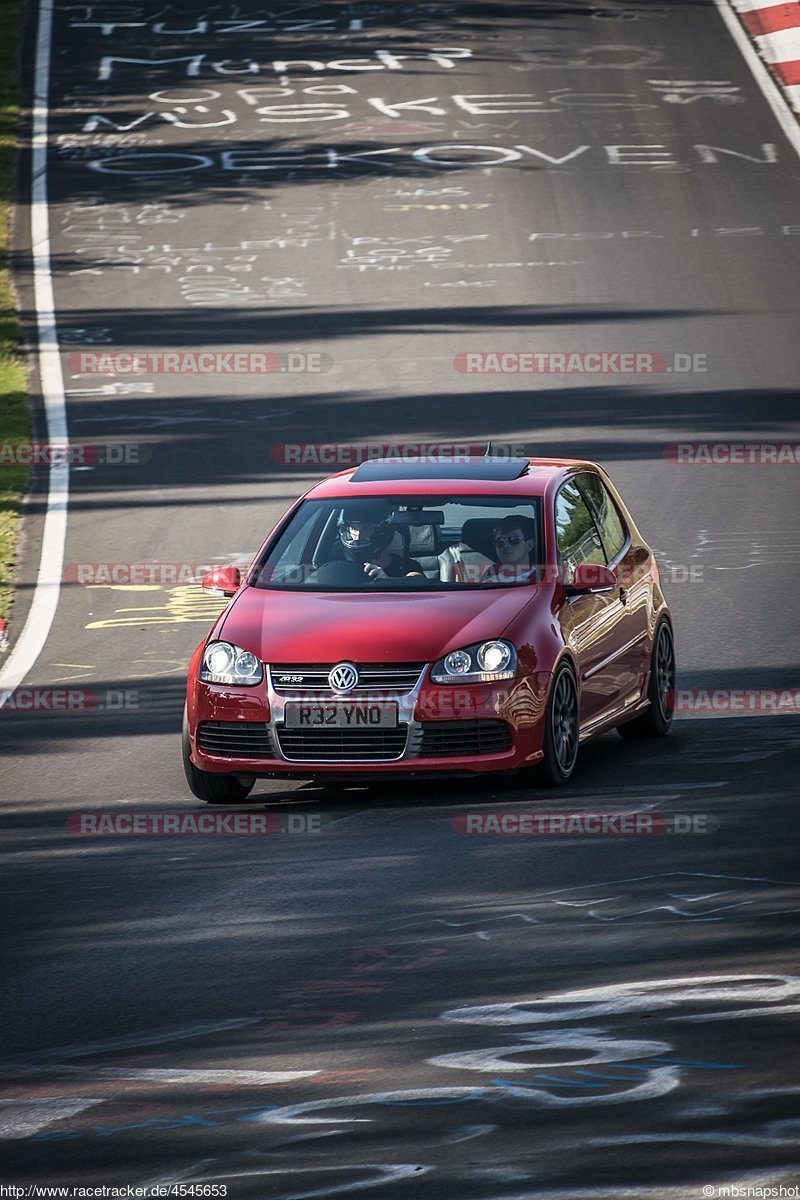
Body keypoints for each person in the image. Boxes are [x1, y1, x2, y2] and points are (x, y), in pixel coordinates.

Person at [337, 502, 424, 580]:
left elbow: (419, 591)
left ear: (382, 532)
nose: (358, 536)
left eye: (366, 528)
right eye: (353, 528)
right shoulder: (341, 566)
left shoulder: (408, 567)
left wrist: (386, 582)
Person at [482, 515, 538, 583]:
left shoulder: (541, 577)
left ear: (529, 545)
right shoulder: (490, 574)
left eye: (513, 539)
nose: (506, 545)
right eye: (500, 541)